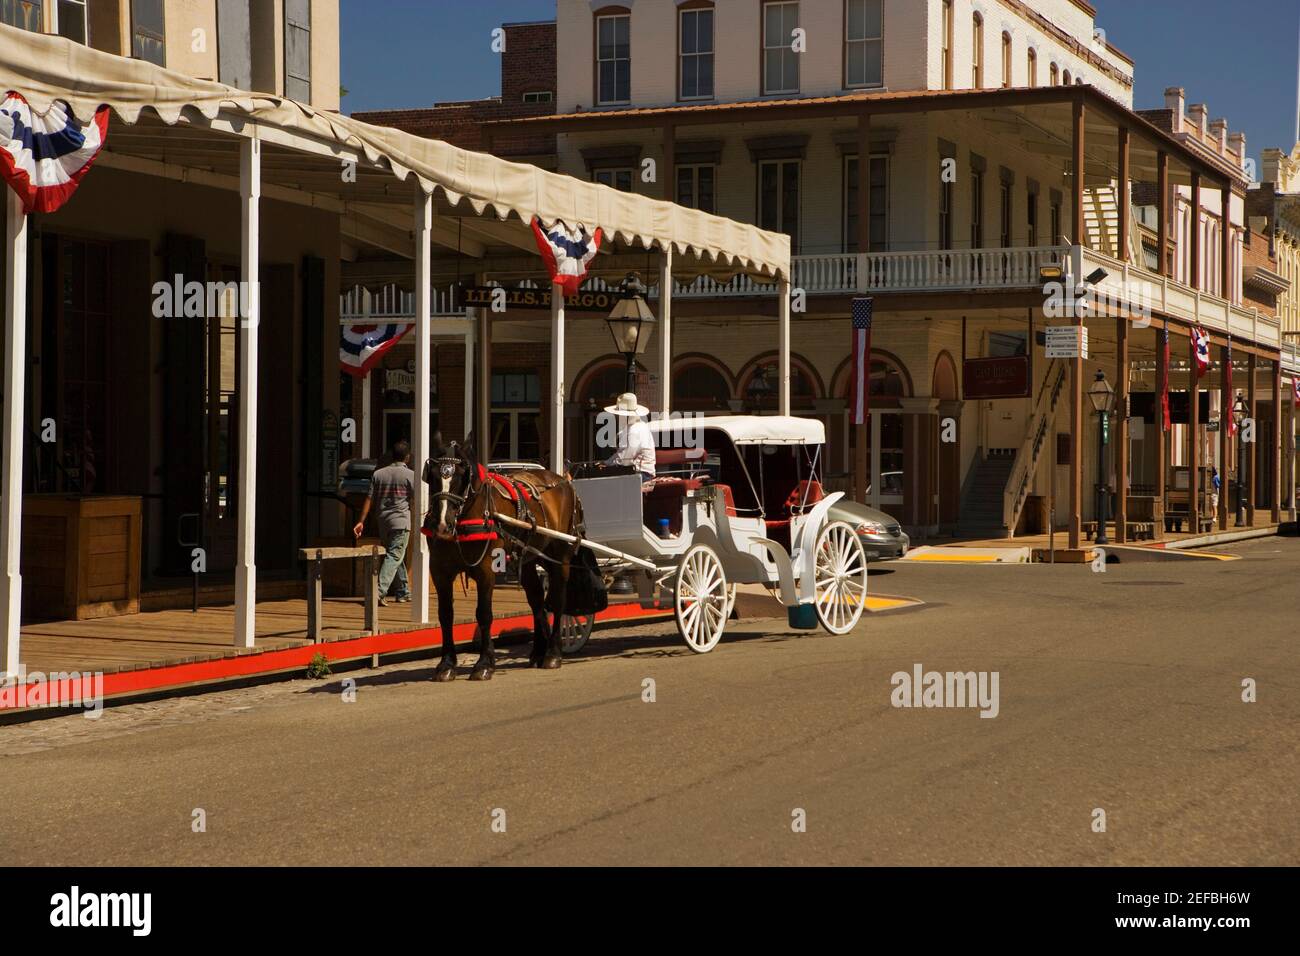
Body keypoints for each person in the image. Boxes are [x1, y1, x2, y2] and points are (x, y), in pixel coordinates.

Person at [353, 440, 414, 606]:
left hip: (383, 523)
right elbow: (419, 498)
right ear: (407, 457)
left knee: (395, 555)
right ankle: (378, 592)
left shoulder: (378, 474)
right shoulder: (411, 475)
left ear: (391, 456)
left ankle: (403, 592)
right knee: (395, 555)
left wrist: (361, 521)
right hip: (400, 522)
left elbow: (369, 498)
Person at [604, 392, 656, 482]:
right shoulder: (638, 426)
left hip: (640, 473)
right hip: (641, 472)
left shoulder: (634, 430)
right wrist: (607, 462)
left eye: (619, 414)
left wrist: (607, 464)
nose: (617, 416)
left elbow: (624, 459)